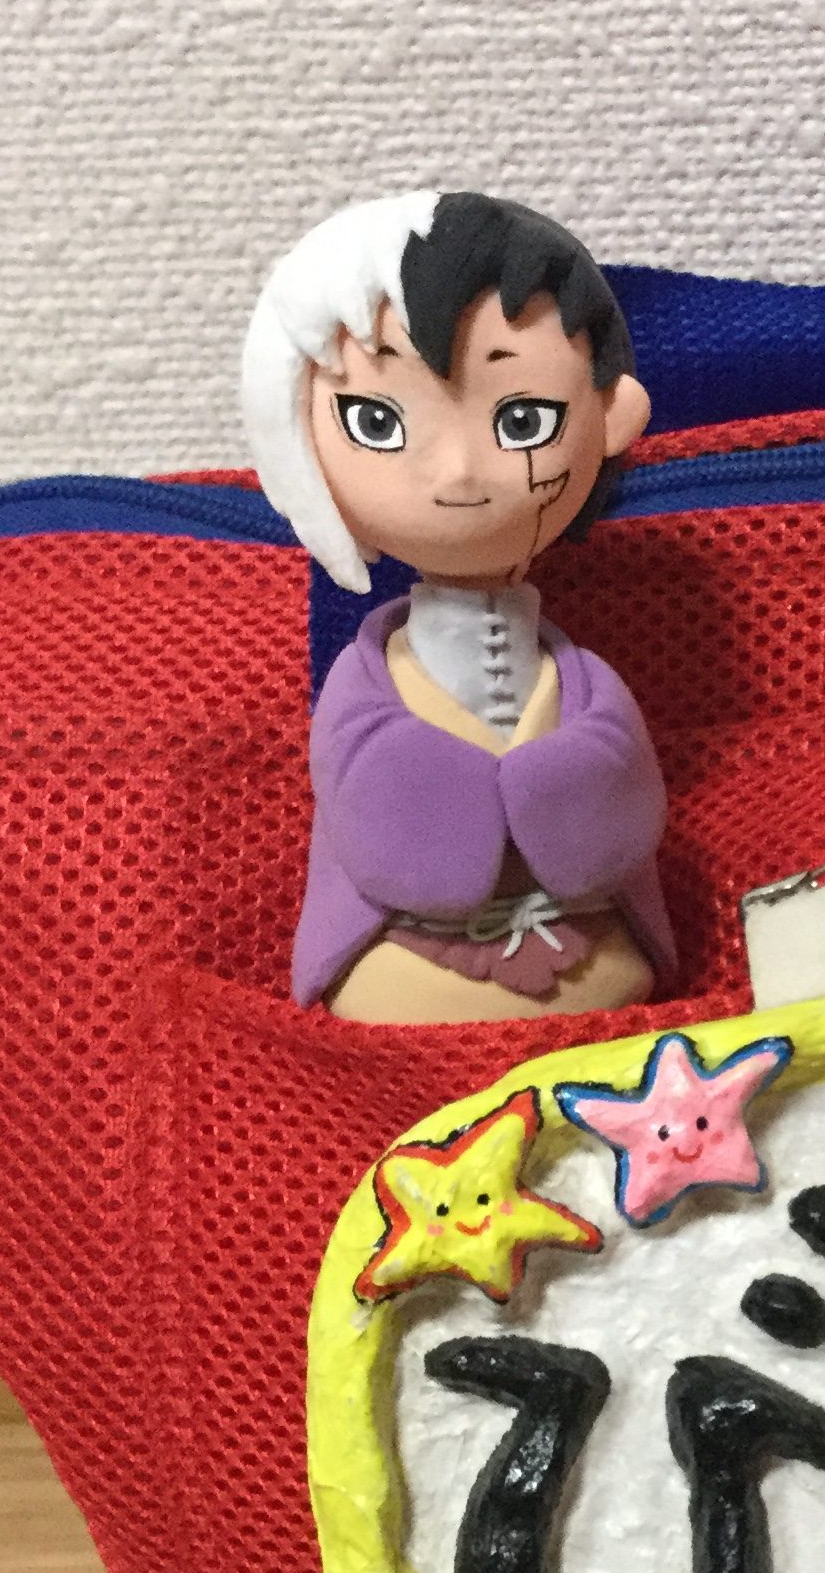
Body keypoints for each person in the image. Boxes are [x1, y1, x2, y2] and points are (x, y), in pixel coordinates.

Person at [244, 190, 676, 1021]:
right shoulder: (361, 690)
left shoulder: (587, 688)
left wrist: (567, 773)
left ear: (613, 415)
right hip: (401, 956)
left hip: (587, 950)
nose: (457, 473)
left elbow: (619, 821)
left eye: (523, 420)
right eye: (377, 422)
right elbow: (375, 825)